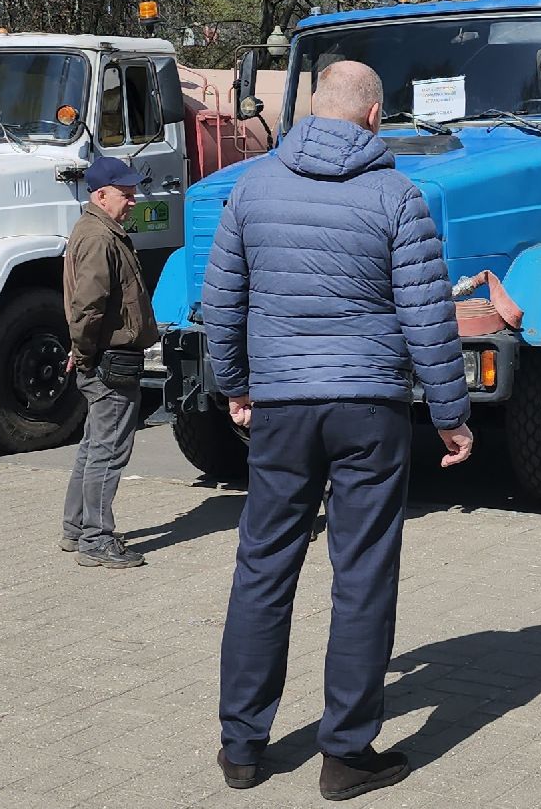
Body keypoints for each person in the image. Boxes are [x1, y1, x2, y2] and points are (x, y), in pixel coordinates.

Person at [202, 60, 475, 801]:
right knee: (361, 575)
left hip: (283, 406)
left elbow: (222, 299)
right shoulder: (397, 195)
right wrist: (450, 415)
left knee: (263, 567)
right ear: (374, 117)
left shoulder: (253, 186)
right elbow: (428, 315)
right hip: (369, 408)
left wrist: (236, 384)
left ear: (310, 109)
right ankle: (347, 754)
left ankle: (241, 748)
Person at [61, 155, 158, 569]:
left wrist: (81, 352)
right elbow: (88, 306)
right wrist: (85, 354)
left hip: (101, 357)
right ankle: (96, 539)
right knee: (109, 450)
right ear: (101, 195)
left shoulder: (96, 230)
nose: (133, 200)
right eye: (126, 194)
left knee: (93, 446)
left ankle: (76, 528)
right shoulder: (101, 238)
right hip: (109, 360)